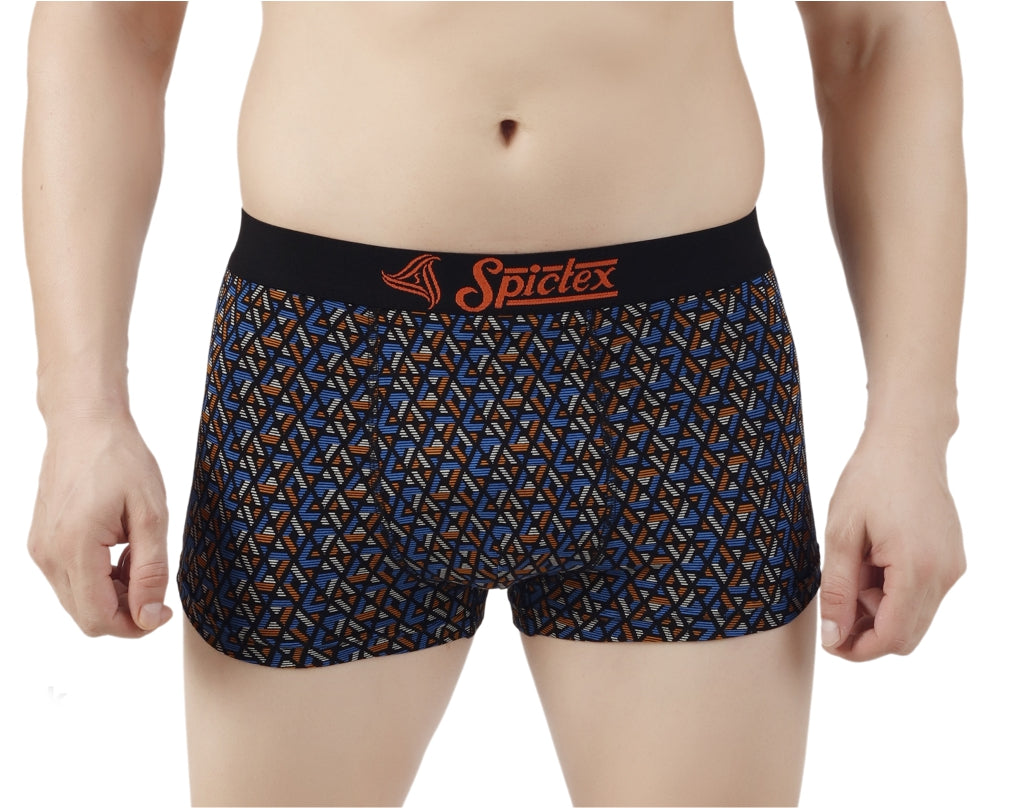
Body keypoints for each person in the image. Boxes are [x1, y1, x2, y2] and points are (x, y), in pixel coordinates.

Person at [22, 2, 966, 806]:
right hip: (323, 367)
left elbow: (874, 34)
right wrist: (81, 413)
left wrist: (913, 430)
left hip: (678, 370)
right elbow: (111, 21)